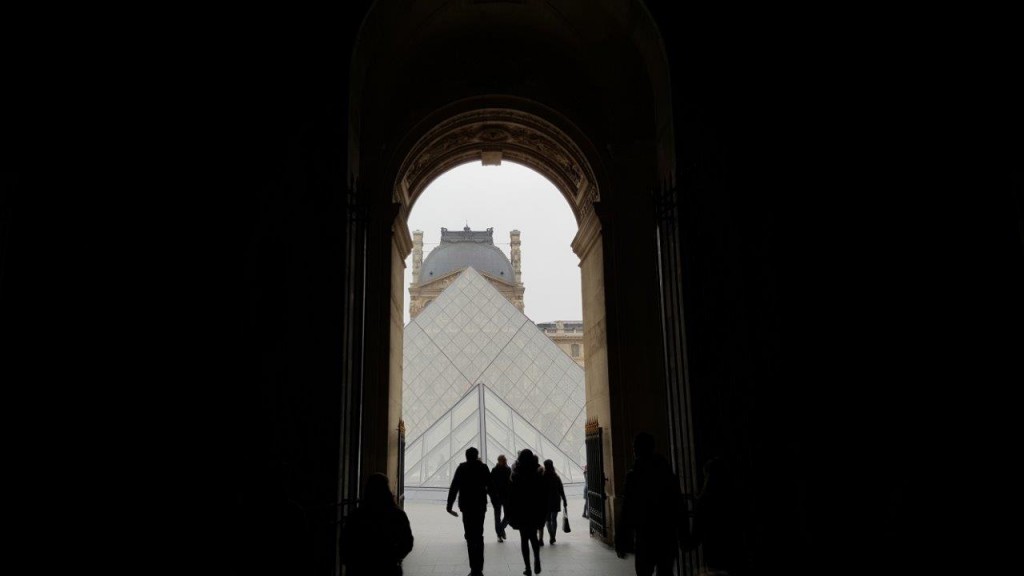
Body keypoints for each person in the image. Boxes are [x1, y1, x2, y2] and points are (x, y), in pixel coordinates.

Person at [615, 432, 683, 576]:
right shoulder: (668, 474)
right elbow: (678, 505)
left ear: (637, 449)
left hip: (645, 537)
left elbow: (627, 510)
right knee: (666, 572)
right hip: (666, 534)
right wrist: (683, 534)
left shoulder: (633, 476)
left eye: (634, 447)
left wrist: (622, 539)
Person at [340, 473, 414, 576]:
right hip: (388, 569)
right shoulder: (397, 515)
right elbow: (407, 543)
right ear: (386, 490)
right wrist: (393, 558)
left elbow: (345, 544)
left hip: (360, 569)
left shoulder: (356, 516)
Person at [447, 447, 491, 576]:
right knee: (479, 535)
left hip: (466, 507)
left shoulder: (462, 468)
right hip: (480, 506)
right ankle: (479, 568)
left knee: (470, 537)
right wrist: (496, 501)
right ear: (477, 455)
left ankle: (474, 568)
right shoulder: (483, 468)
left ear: (466, 456)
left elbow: (454, 487)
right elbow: (491, 486)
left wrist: (449, 505)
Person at [506, 449, 547, 576]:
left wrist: (510, 512)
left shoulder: (515, 473)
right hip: (534, 509)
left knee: (524, 539)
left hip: (521, 510)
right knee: (534, 537)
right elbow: (543, 494)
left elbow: (511, 495)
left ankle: (527, 567)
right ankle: (537, 559)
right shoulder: (538, 472)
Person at [540, 459, 568, 545]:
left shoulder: (542, 476)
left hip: (545, 501)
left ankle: (551, 535)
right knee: (554, 519)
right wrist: (564, 500)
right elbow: (561, 490)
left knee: (548, 520)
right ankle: (553, 536)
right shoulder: (556, 476)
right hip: (555, 500)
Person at [489, 454, 512, 542]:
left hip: (502, 496)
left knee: (505, 515)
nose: (505, 461)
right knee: (501, 516)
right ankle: (500, 533)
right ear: (499, 461)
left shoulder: (505, 470)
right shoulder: (496, 470)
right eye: (504, 460)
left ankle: (500, 530)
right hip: (500, 496)